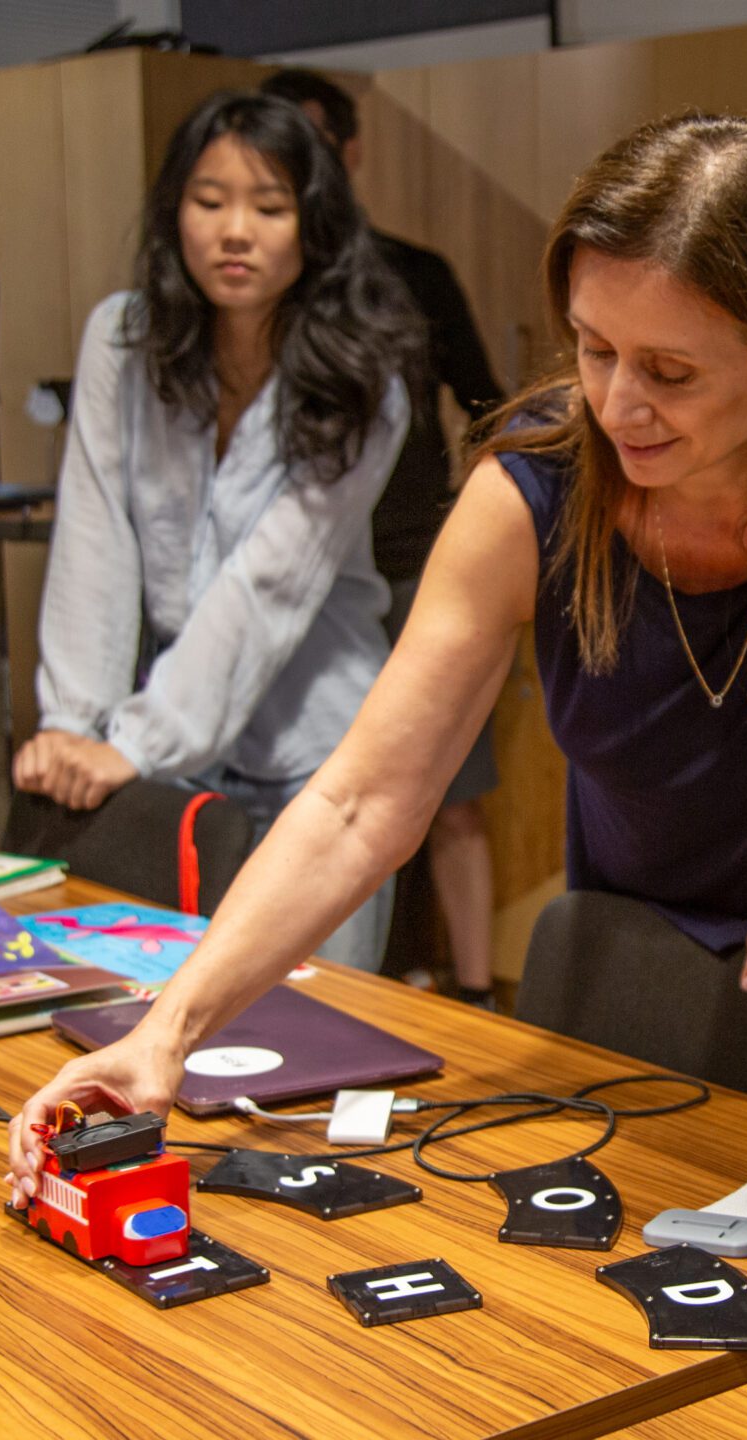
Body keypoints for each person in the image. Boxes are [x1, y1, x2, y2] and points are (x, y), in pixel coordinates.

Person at [5, 111, 747, 1190]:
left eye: (669, 372)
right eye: (593, 349)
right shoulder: (531, 492)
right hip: (623, 935)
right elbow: (362, 804)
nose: (617, 404)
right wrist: (168, 1035)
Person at [13, 92, 417, 972]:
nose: (236, 231)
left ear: (312, 223)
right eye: (209, 202)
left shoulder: (363, 381)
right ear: (174, 212)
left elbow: (266, 589)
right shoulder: (122, 340)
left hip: (321, 760)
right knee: (151, 1014)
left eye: (269, 208)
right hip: (171, 754)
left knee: (317, 1027)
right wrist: (75, 724)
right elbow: (96, 536)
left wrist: (128, 744)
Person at [259, 68, 507, 1007]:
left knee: (453, 797)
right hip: (300, 579)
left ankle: (477, 988)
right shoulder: (265, 285)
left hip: (414, 568)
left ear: (351, 149)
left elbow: (489, 409)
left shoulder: (415, 273)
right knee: (321, 797)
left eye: (321, 136)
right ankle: (331, 992)